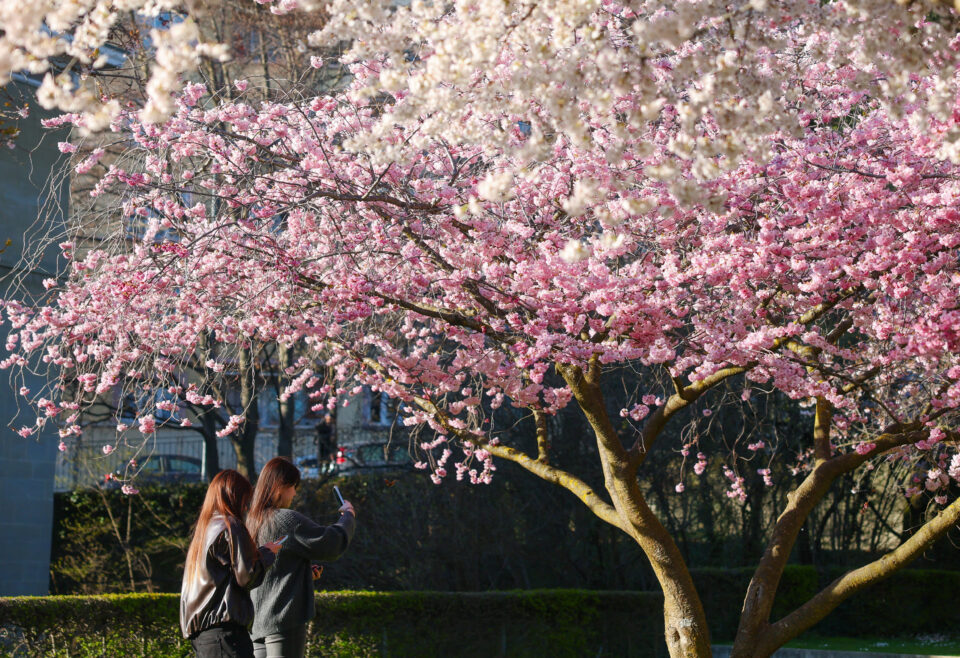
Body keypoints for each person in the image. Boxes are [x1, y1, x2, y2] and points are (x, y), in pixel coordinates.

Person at [247, 457, 356, 658]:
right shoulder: (285, 519)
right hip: (283, 618)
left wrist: (303, 572)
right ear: (281, 487)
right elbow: (332, 544)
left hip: (257, 622)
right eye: (293, 486)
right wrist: (348, 517)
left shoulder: (252, 522)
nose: (295, 493)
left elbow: (272, 569)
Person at [180, 469, 284, 657]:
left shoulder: (206, 529)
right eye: (245, 498)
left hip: (203, 636)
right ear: (236, 496)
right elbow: (247, 577)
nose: (246, 506)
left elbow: (232, 570)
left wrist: (260, 553)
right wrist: (268, 554)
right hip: (225, 635)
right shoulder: (230, 525)